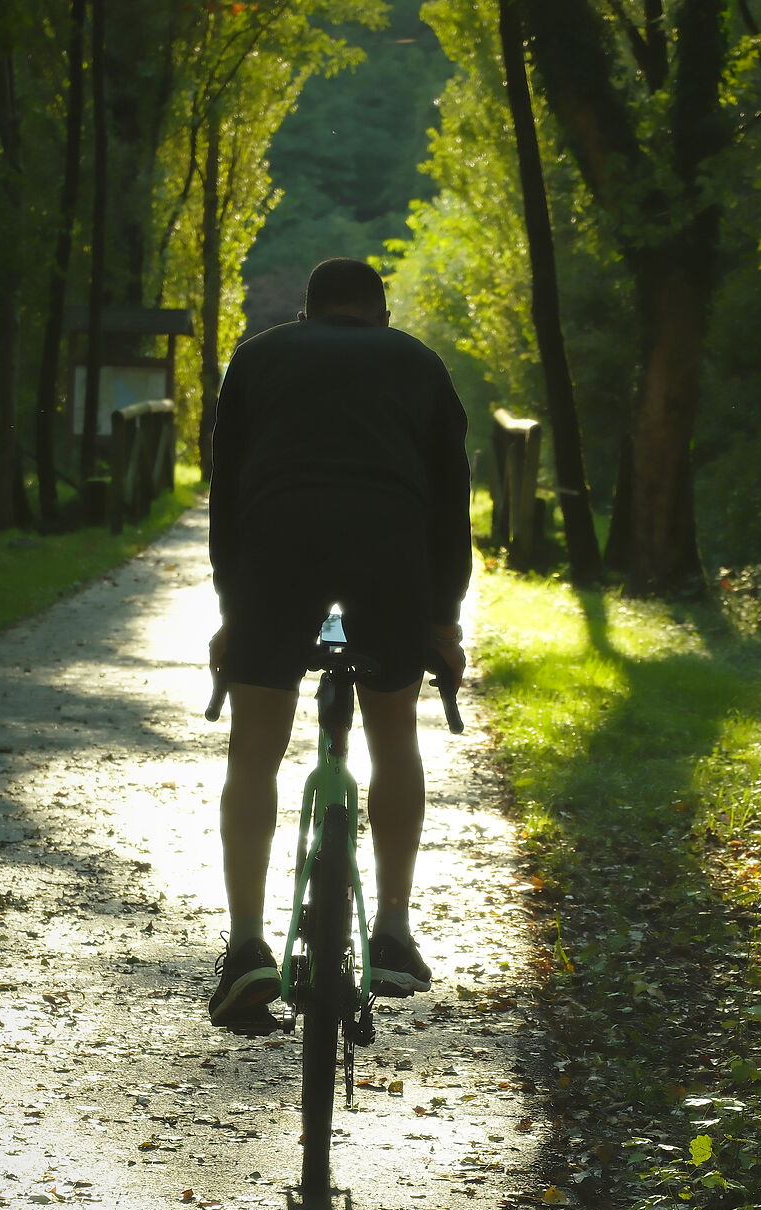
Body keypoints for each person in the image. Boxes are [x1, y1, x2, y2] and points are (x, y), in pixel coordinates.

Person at [204, 257, 470, 1034]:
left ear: (304, 315)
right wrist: (443, 623)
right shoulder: (419, 362)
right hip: (390, 554)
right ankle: (393, 932)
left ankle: (246, 948)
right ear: (381, 318)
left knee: (254, 752)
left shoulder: (258, 357)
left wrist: (232, 609)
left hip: (276, 549)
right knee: (393, 736)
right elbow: (450, 500)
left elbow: (227, 491)